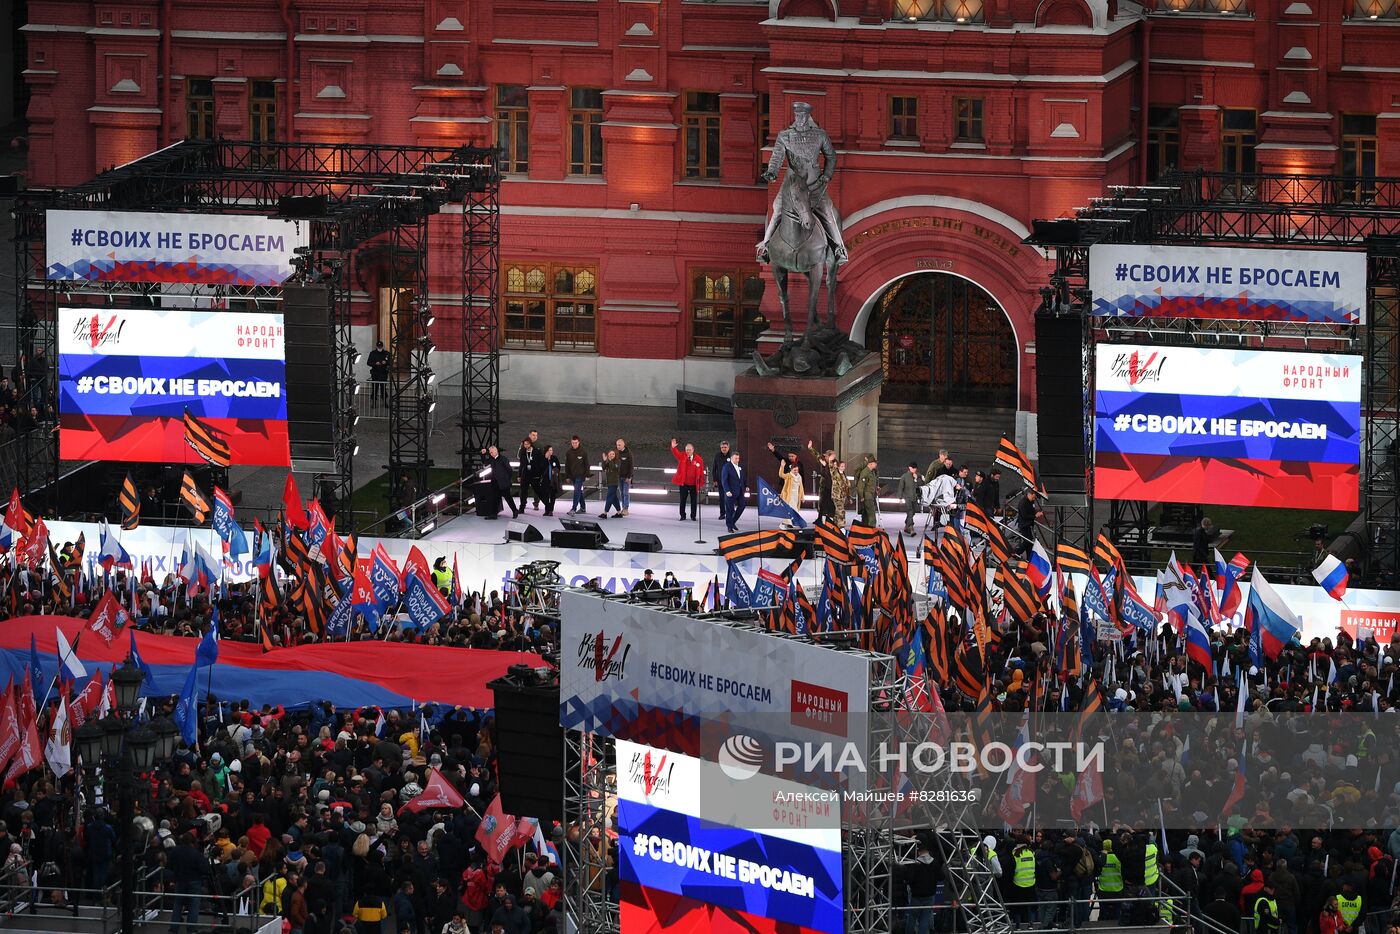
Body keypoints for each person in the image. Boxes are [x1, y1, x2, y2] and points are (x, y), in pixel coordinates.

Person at [756, 101, 848, 265]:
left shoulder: (819, 135)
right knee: (776, 209)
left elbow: (831, 156)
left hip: (814, 184)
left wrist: (826, 175)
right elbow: (777, 157)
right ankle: (766, 247)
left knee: (827, 212)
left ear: (808, 116)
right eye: (797, 115)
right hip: (792, 184)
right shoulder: (785, 136)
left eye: (803, 115)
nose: (800, 118)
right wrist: (772, 172)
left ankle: (839, 248)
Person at [899, 840, 939, 934]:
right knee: (925, 918)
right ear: (928, 851)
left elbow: (908, 879)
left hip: (916, 895)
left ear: (919, 852)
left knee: (912, 917)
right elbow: (941, 876)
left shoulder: (915, 864)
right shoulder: (935, 863)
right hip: (930, 895)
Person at [767, 442, 804, 523]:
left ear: (796, 456)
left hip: (796, 489)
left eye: (792, 456)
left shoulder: (800, 465)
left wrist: (802, 494)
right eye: (789, 456)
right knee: (787, 504)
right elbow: (779, 457)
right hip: (786, 487)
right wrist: (773, 450)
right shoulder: (786, 461)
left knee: (795, 505)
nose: (790, 457)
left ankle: (794, 519)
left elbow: (802, 479)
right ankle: (788, 520)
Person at [670, 439, 705, 522]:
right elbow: (676, 453)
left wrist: (701, 482)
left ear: (693, 450)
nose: (688, 451)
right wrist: (673, 447)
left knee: (694, 501)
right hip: (684, 484)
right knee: (682, 500)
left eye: (689, 450)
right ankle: (682, 515)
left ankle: (693, 516)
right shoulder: (682, 456)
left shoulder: (699, 459)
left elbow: (701, 471)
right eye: (686, 450)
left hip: (694, 484)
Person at [481, 445, 519, 520]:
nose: (490, 453)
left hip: (503, 482)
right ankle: (493, 514)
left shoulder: (503, 459)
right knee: (495, 498)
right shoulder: (491, 459)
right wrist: (482, 454)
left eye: (491, 452)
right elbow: (484, 462)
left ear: (496, 451)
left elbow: (509, 470)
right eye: (490, 452)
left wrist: (507, 479)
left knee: (508, 497)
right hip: (495, 482)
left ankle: (515, 511)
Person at [805, 442, 835, 524]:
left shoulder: (834, 464)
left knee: (830, 503)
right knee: (822, 503)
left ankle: (830, 520)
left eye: (826, 456)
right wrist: (811, 448)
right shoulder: (826, 463)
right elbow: (818, 456)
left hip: (832, 487)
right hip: (825, 487)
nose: (824, 457)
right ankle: (820, 518)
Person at [720, 451, 747, 532]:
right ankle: (729, 526)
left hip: (740, 491)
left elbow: (742, 478)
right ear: (731, 458)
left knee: (742, 505)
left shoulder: (740, 466)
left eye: (738, 458)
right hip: (730, 492)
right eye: (736, 458)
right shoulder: (726, 467)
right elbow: (724, 480)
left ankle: (732, 522)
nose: (737, 460)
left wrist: (746, 486)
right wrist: (727, 490)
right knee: (729, 509)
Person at [565, 437, 590, 516]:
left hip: (580, 476)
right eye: (573, 443)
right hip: (572, 476)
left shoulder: (583, 452)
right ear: (571, 442)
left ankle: (573, 509)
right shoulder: (569, 452)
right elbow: (567, 465)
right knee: (579, 492)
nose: (574, 444)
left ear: (579, 442)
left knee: (576, 491)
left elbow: (587, 464)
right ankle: (583, 508)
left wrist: (587, 475)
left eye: (576, 443)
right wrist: (567, 476)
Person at [896, 462, 922, 536]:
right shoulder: (904, 476)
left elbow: (922, 484)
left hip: (915, 497)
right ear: (909, 468)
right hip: (907, 497)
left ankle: (907, 526)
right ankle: (911, 528)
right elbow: (901, 487)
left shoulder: (918, 475)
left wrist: (917, 479)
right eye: (913, 468)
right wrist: (900, 497)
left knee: (913, 512)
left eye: (915, 468)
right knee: (910, 511)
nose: (914, 469)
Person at [711, 441, 733, 520]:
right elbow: (714, 469)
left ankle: (730, 513)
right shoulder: (717, 456)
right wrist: (714, 480)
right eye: (722, 447)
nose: (724, 449)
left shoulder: (732, 456)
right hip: (720, 481)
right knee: (721, 498)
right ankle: (722, 514)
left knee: (729, 498)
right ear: (720, 448)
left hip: (730, 481)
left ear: (728, 448)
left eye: (725, 447)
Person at [854, 456, 879, 527]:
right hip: (867, 496)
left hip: (871, 495)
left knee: (866, 514)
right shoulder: (865, 472)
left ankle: (866, 528)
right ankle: (872, 529)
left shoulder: (872, 472)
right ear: (870, 464)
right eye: (875, 463)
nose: (876, 464)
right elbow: (860, 486)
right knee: (871, 514)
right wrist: (861, 496)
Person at [1016, 488, 1041, 554]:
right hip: (1024, 525)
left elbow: (1032, 510)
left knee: (1029, 542)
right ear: (1029, 494)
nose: (1034, 498)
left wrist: (1035, 514)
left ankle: (1029, 557)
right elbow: (1024, 516)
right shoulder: (1023, 503)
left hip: (1029, 524)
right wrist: (1035, 516)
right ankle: (1016, 553)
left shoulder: (1031, 501)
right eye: (1033, 497)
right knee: (1028, 541)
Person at [517, 439, 540, 512]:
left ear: (530, 444)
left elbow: (540, 462)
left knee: (537, 490)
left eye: (527, 444)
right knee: (523, 491)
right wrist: (519, 475)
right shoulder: (523, 452)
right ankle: (522, 507)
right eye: (525, 444)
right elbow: (521, 464)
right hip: (525, 474)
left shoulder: (536, 451)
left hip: (534, 475)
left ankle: (538, 504)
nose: (526, 446)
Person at [537, 445, 560, 517]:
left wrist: (555, 470)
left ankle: (551, 510)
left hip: (553, 480)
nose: (551, 452)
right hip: (545, 480)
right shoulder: (542, 458)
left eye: (551, 450)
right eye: (549, 450)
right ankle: (547, 509)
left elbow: (558, 467)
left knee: (552, 495)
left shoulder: (554, 458)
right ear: (546, 451)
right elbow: (540, 467)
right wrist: (545, 459)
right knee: (545, 495)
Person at [600, 450, 622, 520]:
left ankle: (605, 513)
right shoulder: (608, 462)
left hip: (614, 483)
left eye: (613, 454)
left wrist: (609, 460)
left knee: (609, 497)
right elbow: (603, 468)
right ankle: (619, 513)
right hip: (609, 483)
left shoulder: (617, 462)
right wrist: (604, 461)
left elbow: (613, 467)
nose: (611, 455)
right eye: (610, 454)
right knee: (614, 498)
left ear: (615, 455)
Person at [367, 341, 391, 406]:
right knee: (375, 388)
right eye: (378, 346)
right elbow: (368, 362)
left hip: (383, 373)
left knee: (383, 388)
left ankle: (385, 401)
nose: (379, 347)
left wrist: (385, 362)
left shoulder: (386, 353)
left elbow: (390, 361)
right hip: (375, 373)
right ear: (376, 346)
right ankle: (374, 402)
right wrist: (375, 363)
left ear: (382, 346)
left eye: (380, 346)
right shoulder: (372, 353)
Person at [615, 439, 634, 517]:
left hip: (626, 477)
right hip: (618, 476)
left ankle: (626, 508)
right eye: (617, 445)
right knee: (621, 493)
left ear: (623, 444)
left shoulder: (629, 454)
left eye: (619, 445)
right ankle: (623, 507)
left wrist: (629, 477)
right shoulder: (616, 453)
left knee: (626, 493)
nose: (618, 446)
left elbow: (631, 466)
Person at [829, 459, 850, 529]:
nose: (843, 468)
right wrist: (830, 460)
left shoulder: (844, 475)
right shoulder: (835, 473)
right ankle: (841, 526)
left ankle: (835, 525)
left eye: (844, 466)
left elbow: (846, 486)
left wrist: (849, 497)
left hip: (842, 496)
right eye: (841, 466)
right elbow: (830, 467)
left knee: (837, 512)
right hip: (836, 496)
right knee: (841, 511)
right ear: (838, 467)